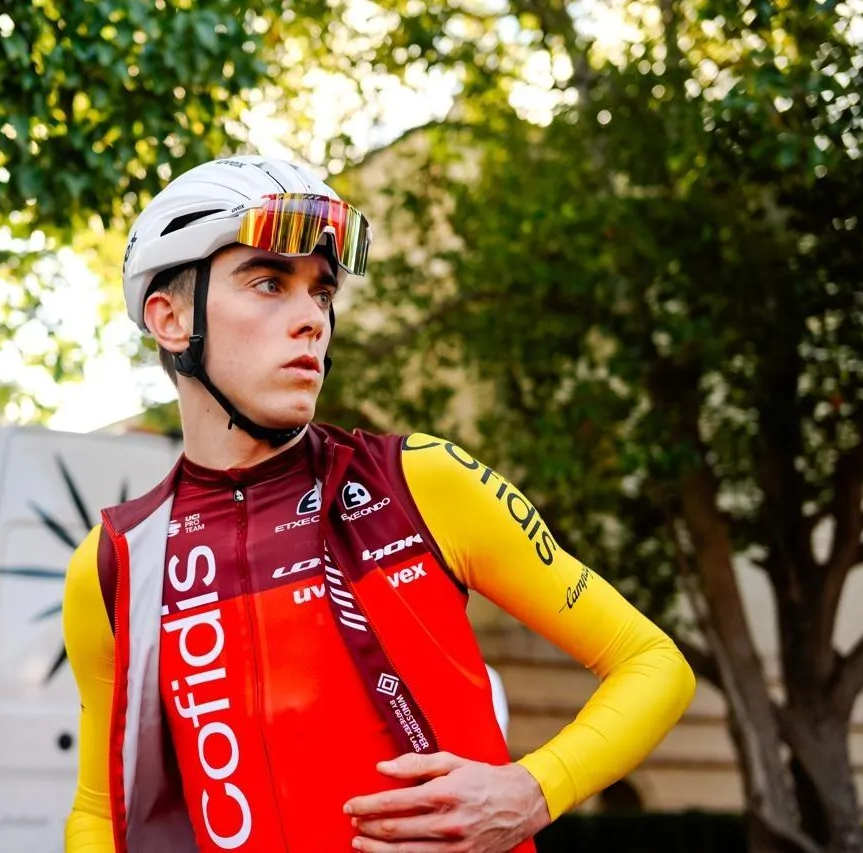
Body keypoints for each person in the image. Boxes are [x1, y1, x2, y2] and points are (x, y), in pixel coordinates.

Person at [61, 156, 696, 853]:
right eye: (269, 283)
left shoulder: (420, 480)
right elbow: (102, 813)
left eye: (321, 292)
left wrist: (531, 791)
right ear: (171, 318)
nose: (312, 319)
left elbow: (653, 662)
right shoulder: (117, 562)